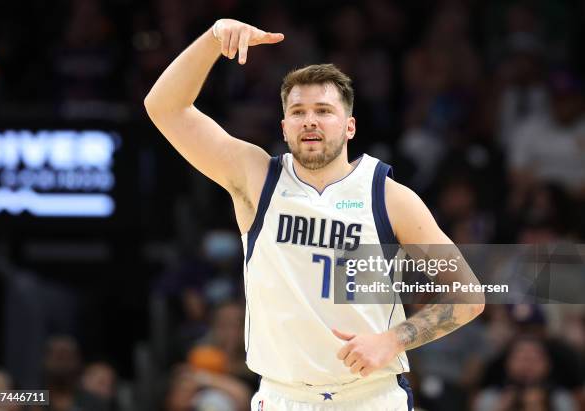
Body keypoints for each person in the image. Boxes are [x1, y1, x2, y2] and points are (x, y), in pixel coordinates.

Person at [145, 18, 485, 411]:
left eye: (323, 110)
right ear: (285, 127)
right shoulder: (256, 178)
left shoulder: (389, 197)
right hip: (281, 396)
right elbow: (164, 108)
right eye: (298, 111)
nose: (310, 120)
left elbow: (469, 295)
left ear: (350, 126)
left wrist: (393, 339)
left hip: (370, 397)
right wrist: (212, 38)